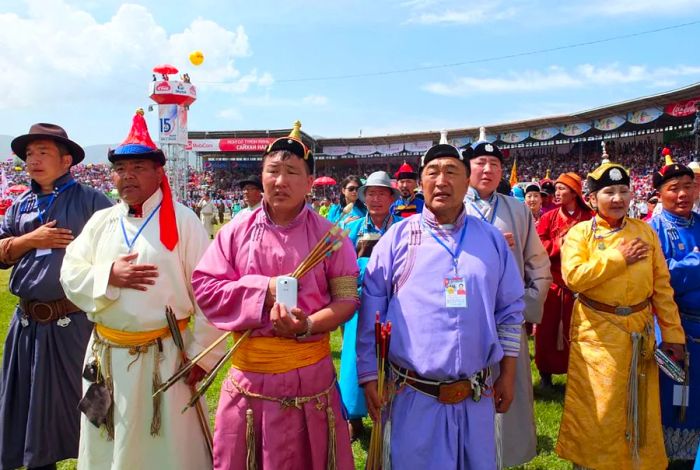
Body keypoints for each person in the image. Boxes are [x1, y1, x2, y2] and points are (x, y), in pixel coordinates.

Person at [59, 110, 223, 470]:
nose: (127, 175)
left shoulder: (184, 221)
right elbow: (70, 273)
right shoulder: (101, 221)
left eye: (138, 167)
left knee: (167, 451)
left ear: (159, 173)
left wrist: (202, 355)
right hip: (105, 358)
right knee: (106, 443)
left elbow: (211, 294)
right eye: (120, 168)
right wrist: (107, 276)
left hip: (165, 358)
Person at [191, 122, 359, 470]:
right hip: (251, 382)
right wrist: (262, 289)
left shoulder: (332, 238)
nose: (280, 181)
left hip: (310, 379)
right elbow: (206, 289)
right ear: (262, 175)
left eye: (292, 172)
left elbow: (346, 301)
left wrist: (308, 324)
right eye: (273, 171)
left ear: (309, 183)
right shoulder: (235, 231)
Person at [357, 142, 525, 469]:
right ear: (421, 183)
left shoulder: (491, 240)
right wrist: (368, 377)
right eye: (432, 173)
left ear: (467, 182)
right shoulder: (397, 239)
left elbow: (510, 310)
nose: (441, 181)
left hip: (476, 397)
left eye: (452, 172)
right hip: (413, 397)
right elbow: (372, 315)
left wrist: (508, 373)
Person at [556, 156, 686, 470]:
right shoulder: (580, 235)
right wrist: (618, 258)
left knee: (639, 407)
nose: (617, 199)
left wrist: (672, 335)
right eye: (609, 192)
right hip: (597, 336)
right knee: (600, 411)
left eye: (623, 191)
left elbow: (662, 289)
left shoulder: (645, 232)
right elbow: (574, 277)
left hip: (640, 333)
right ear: (591, 199)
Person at [0, 123, 112, 470]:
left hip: (73, 325)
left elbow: (117, 249)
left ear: (66, 161)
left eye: (43, 152)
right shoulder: (19, 205)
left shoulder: (92, 201)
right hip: (27, 325)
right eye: (29, 154)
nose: (33, 160)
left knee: (87, 411)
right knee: (29, 411)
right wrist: (29, 241)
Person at [464, 139, 551, 466]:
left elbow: (539, 265)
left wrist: (525, 303)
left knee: (506, 395)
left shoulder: (517, 210)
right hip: (464, 321)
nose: (487, 170)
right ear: (467, 168)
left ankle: (501, 459)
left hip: (507, 322)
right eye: (480, 163)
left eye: (494, 164)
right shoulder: (453, 207)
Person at [338, 171, 402, 440]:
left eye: (381, 194)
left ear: (391, 198)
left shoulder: (402, 228)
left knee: (391, 359)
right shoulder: (352, 228)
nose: (376, 199)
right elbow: (341, 268)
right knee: (354, 359)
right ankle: (354, 416)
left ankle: (391, 410)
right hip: (360, 305)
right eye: (371, 194)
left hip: (394, 306)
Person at [648, 156, 699, 461]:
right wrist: (695, 262)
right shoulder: (651, 230)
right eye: (674, 188)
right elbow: (660, 279)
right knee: (673, 394)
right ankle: (668, 455)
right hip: (670, 328)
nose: (682, 194)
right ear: (660, 194)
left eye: (688, 187)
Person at [535, 173, 593, 389]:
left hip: (580, 286)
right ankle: (545, 375)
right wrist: (561, 244)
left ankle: (577, 377)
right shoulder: (548, 218)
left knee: (579, 333)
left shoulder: (590, 217)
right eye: (556, 189)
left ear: (575, 192)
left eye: (562, 189)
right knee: (546, 332)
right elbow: (539, 244)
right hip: (553, 285)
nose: (557, 193)